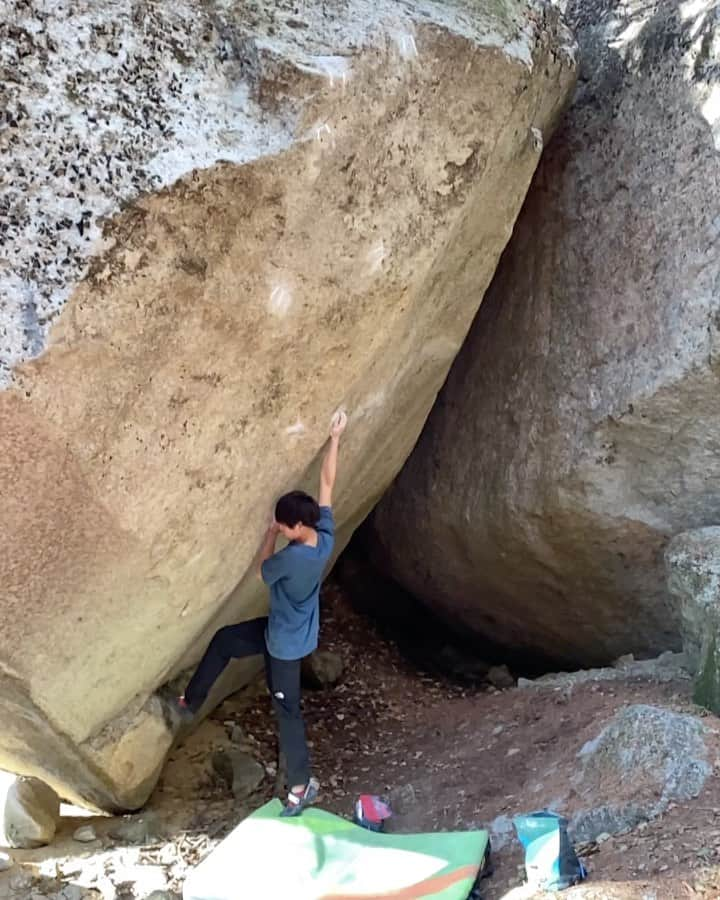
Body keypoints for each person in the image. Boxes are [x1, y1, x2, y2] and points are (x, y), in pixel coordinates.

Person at [174, 410, 348, 816]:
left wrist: (268, 537)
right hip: (286, 631)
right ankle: (190, 701)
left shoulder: (290, 560)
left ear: (292, 527)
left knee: (286, 710)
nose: (282, 529)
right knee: (225, 640)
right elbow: (327, 483)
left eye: (283, 526)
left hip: (285, 647)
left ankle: (301, 786)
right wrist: (335, 437)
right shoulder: (323, 534)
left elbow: (260, 572)